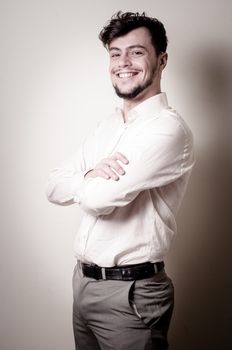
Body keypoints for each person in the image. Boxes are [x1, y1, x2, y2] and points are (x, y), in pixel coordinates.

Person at [46, 11, 194, 350]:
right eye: (115, 53)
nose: (123, 62)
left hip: (131, 295)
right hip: (83, 284)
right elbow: (53, 185)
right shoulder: (108, 126)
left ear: (162, 59)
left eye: (137, 51)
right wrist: (90, 174)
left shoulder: (168, 130)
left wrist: (84, 182)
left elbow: (99, 200)